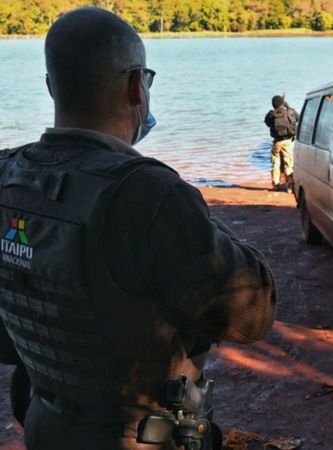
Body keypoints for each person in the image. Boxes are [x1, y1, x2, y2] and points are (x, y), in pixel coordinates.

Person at [0, 7, 276, 450]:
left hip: (46, 424)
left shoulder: (8, 176)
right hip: (138, 438)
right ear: (136, 87)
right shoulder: (147, 192)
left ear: (52, 87)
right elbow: (250, 315)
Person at [264, 95, 299, 192]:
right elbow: (298, 117)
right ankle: (290, 187)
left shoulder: (271, 114)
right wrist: (288, 107)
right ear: (282, 103)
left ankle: (276, 184)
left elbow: (267, 122)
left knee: (275, 162)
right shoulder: (289, 112)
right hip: (288, 141)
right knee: (289, 163)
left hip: (277, 142)